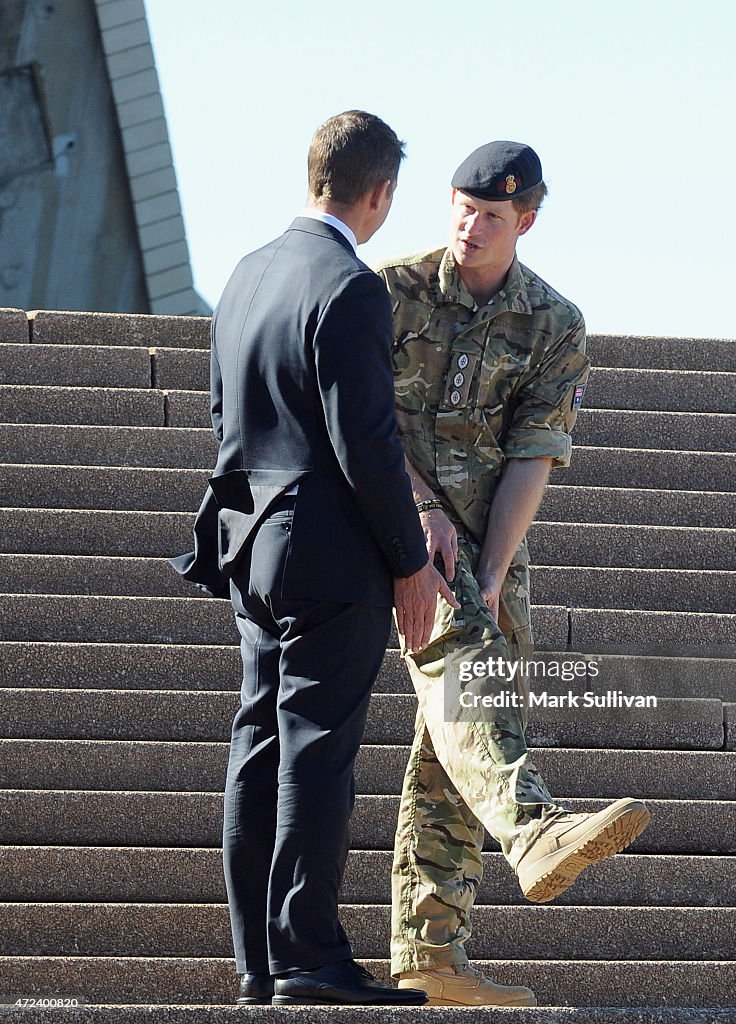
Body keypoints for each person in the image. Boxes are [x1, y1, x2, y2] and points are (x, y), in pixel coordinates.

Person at [172, 111, 457, 1007]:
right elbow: (367, 445)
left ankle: (259, 961)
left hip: (251, 543)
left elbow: (226, 421)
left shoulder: (247, 276)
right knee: (317, 757)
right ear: (380, 194)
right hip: (330, 559)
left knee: (257, 747)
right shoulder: (351, 287)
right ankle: (308, 955)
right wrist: (413, 565)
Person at [375, 141, 651, 1007]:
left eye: (492, 214)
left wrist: (493, 570)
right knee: (469, 691)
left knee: (451, 738)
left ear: (526, 220)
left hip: (488, 539)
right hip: (384, 520)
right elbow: (359, 420)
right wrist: (417, 518)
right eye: (461, 205)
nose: (470, 223)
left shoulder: (553, 322)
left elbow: (535, 451)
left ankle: (430, 952)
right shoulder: (389, 292)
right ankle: (532, 829)